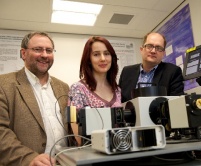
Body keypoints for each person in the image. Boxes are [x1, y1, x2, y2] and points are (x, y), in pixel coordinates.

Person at [0, 31, 70, 166]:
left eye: (49, 50)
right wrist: (28, 158)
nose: (44, 55)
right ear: (23, 53)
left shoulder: (63, 87)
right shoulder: (4, 85)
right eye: (38, 49)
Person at [119, 32, 184, 103]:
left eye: (158, 48)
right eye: (149, 46)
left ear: (163, 53)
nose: (153, 51)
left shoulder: (172, 72)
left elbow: (177, 104)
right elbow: (120, 102)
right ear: (141, 49)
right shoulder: (127, 72)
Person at [69, 36, 121, 109]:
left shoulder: (117, 90)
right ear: (89, 59)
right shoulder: (78, 89)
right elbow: (74, 120)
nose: (103, 59)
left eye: (106, 53)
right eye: (96, 54)